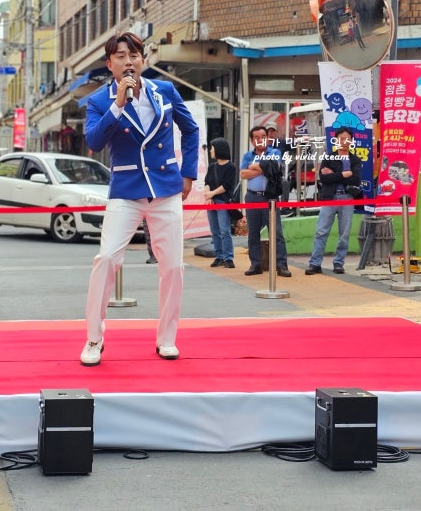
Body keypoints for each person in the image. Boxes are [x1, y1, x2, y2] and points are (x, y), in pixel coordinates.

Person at [81, 32, 199, 366]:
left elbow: (190, 130)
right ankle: (93, 339)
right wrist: (119, 104)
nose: (128, 61)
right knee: (106, 259)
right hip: (126, 189)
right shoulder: (99, 101)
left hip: (165, 189)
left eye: (134, 54)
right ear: (109, 64)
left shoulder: (165, 91)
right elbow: (93, 141)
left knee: (173, 266)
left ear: (143, 60)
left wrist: (188, 173)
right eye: (120, 56)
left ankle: (167, 339)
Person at [306, 126, 364, 275]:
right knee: (321, 231)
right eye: (341, 139)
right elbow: (324, 178)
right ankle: (315, 263)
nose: (344, 142)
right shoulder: (329, 157)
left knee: (344, 233)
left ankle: (339, 263)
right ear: (336, 140)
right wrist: (345, 174)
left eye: (347, 139)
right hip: (330, 197)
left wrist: (335, 174)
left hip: (347, 197)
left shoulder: (355, 160)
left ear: (352, 141)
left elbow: (356, 179)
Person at [240, 125, 291, 278]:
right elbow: (243, 174)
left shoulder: (274, 152)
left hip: (270, 197)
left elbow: (275, 168)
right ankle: (255, 264)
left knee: (276, 232)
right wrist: (264, 167)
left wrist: (255, 166)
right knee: (253, 233)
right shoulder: (247, 155)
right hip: (252, 196)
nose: (260, 140)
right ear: (252, 140)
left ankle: (281, 265)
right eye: (257, 137)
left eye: (263, 137)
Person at [203, 138, 237, 269]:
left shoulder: (231, 167)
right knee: (215, 231)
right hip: (211, 202)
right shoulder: (212, 167)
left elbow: (227, 185)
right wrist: (208, 195)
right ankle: (219, 256)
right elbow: (207, 182)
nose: (211, 151)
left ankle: (228, 257)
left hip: (223, 201)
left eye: (213, 148)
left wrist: (212, 194)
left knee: (224, 230)